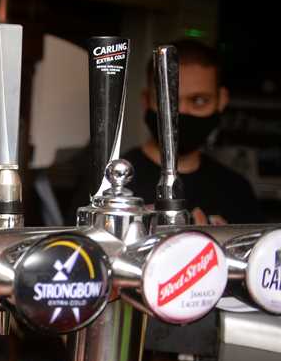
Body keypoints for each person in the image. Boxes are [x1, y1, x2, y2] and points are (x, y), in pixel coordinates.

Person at [72, 40, 260, 224]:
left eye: (199, 101)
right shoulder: (105, 185)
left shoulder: (236, 190)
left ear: (222, 100)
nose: (182, 112)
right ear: (146, 101)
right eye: (169, 102)